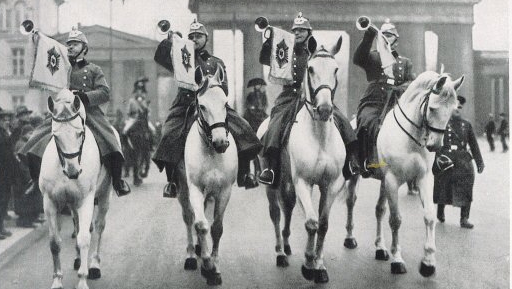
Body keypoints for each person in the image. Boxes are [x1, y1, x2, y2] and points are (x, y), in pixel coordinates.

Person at [152, 19, 262, 197]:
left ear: (206, 39)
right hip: (185, 104)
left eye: (199, 36)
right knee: (169, 133)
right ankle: (171, 181)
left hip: (212, 105)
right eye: (192, 36)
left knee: (244, 129)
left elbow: (224, 87)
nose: (195, 39)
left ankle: (244, 174)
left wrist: (211, 93)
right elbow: (160, 57)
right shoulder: (181, 57)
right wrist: (169, 41)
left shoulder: (216, 62)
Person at [19, 28, 131, 197]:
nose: (70, 47)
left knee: (111, 141)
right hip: (64, 110)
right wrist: (37, 40)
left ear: (84, 48)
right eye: (69, 44)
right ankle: (36, 181)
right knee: (36, 140)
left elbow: (104, 92)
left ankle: (117, 181)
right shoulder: (60, 67)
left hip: (89, 112)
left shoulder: (94, 70)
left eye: (75, 44)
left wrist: (84, 96)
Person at [258, 12, 362, 187]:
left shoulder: (316, 53)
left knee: (342, 121)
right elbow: (263, 59)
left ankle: (350, 161)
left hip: (315, 97)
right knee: (276, 123)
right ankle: (271, 168)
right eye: (295, 30)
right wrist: (270, 41)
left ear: (309, 33)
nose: (297, 33)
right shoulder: (284, 50)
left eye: (302, 30)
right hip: (289, 96)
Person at [353, 19, 416, 177]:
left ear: (396, 40)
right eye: (384, 35)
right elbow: (358, 59)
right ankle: (366, 161)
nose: (386, 38)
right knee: (367, 122)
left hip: (396, 102)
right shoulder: (373, 57)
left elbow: (412, 82)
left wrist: (400, 87)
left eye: (390, 35)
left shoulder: (405, 62)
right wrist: (368, 36)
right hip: (374, 100)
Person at [433, 96, 484, 229]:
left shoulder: (466, 125)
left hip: (463, 161)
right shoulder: (443, 124)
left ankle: (464, 218)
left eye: (459, 107)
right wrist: (439, 159)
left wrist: (479, 162)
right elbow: (437, 143)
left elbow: (474, 144)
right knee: (443, 187)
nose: (457, 110)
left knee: (467, 188)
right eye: (455, 107)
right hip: (447, 159)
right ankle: (440, 210)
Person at [0, 106, 15, 239]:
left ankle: (0, 227)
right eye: (2, 119)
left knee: (4, 199)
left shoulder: (4, 132)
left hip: (7, 171)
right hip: (0, 171)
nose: (5, 121)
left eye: (6, 119)